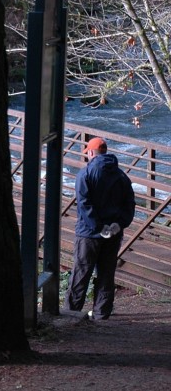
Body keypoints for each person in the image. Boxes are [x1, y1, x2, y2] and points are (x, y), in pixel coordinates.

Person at [65, 136, 136, 320]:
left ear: (90, 152)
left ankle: (71, 314)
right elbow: (129, 204)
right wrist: (119, 224)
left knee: (81, 274)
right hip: (113, 234)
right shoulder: (121, 176)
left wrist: (97, 226)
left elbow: (84, 205)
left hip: (88, 234)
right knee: (106, 275)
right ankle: (101, 315)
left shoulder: (85, 174)